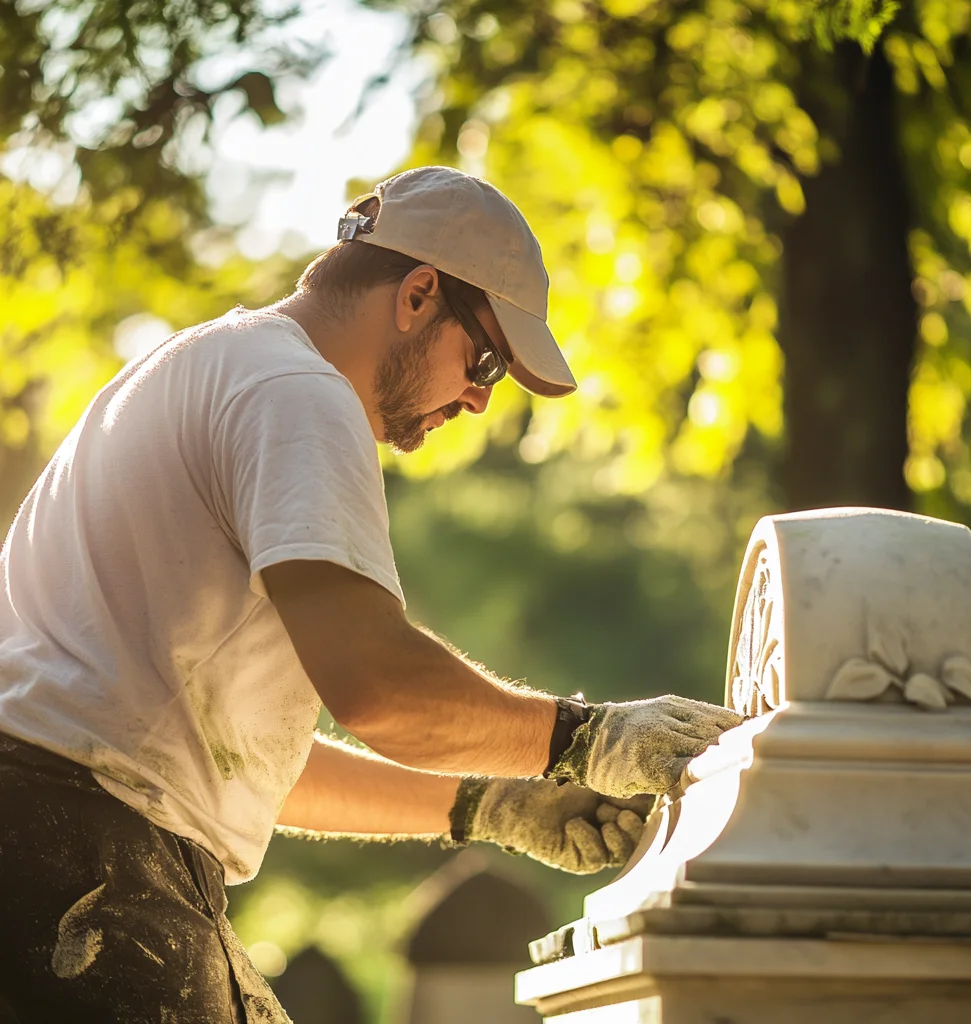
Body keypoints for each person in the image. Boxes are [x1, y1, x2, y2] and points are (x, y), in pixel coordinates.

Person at [0, 166, 742, 1022]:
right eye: (487, 361)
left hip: (57, 845)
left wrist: (489, 803)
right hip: (78, 865)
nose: (474, 399)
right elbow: (376, 688)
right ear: (419, 294)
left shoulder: (203, 367)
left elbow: (247, 763)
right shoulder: (300, 392)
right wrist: (587, 738)